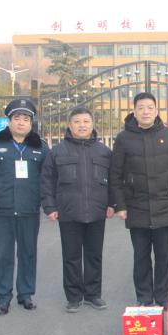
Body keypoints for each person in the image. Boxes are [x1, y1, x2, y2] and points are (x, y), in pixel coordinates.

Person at [109, 92, 168, 309]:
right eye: (141, 108)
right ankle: (144, 296)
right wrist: (120, 205)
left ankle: (163, 297)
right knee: (141, 256)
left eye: (150, 107)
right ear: (134, 111)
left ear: (156, 110)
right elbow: (115, 175)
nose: (145, 112)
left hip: (165, 205)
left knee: (164, 256)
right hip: (136, 206)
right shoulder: (123, 138)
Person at [41, 107, 113, 313]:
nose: (82, 125)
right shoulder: (57, 151)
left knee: (94, 255)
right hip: (68, 211)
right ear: (70, 125)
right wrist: (50, 206)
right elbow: (47, 180)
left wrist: (112, 204)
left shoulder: (104, 152)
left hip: (97, 211)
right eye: (77, 122)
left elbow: (114, 181)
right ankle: (73, 297)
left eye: (86, 121)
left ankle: (93, 294)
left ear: (92, 124)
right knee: (71, 256)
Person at [0, 98, 49, 315]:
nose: (21, 122)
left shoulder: (40, 147)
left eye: (26, 119)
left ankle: (26, 294)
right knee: (2, 254)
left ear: (31, 123)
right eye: (17, 118)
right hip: (3, 210)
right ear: (9, 121)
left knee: (28, 253)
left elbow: (46, 177)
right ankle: (3, 296)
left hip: (29, 209)